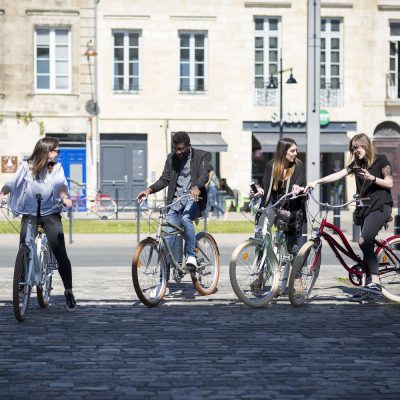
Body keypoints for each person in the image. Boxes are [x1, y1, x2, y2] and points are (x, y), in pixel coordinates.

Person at [306, 133, 393, 300]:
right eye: (352, 148)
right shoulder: (356, 165)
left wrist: (372, 178)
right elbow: (338, 174)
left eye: (357, 147)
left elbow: (389, 182)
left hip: (381, 206)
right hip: (364, 209)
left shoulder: (381, 159)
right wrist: (316, 182)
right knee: (366, 245)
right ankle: (367, 288)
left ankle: (375, 282)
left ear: (366, 146)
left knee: (363, 240)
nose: (355, 151)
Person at [0, 137, 76, 310]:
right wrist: (1, 194)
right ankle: (21, 285)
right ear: (46, 150)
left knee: (59, 252)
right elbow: (11, 183)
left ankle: (69, 291)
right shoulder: (26, 166)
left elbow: (60, 186)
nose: (58, 154)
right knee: (24, 247)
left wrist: (65, 198)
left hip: (50, 212)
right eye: (56, 150)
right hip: (30, 213)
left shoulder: (56, 168)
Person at [136, 131, 211, 272]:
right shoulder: (171, 158)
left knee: (185, 218)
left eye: (181, 149)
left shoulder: (202, 155)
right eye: (175, 148)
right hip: (175, 202)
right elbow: (165, 179)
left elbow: (204, 175)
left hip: (193, 199)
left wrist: (196, 187)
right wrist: (149, 190)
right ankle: (163, 279)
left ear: (189, 146)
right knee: (168, 239)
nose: (178, 152)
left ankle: (191, 256)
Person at [252, 137, 306, 256]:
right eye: (292, 151)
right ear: (283, 151)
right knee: (261, 233)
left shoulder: (298, 166)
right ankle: (261, 267)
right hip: (273, 204)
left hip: (291, 207)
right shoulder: (271, 166)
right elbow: (266, 190)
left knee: (292, 246)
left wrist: (298, 189)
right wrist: (260, 191)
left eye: (296, 150)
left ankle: (297, 273)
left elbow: (301, 185)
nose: (295, 154)